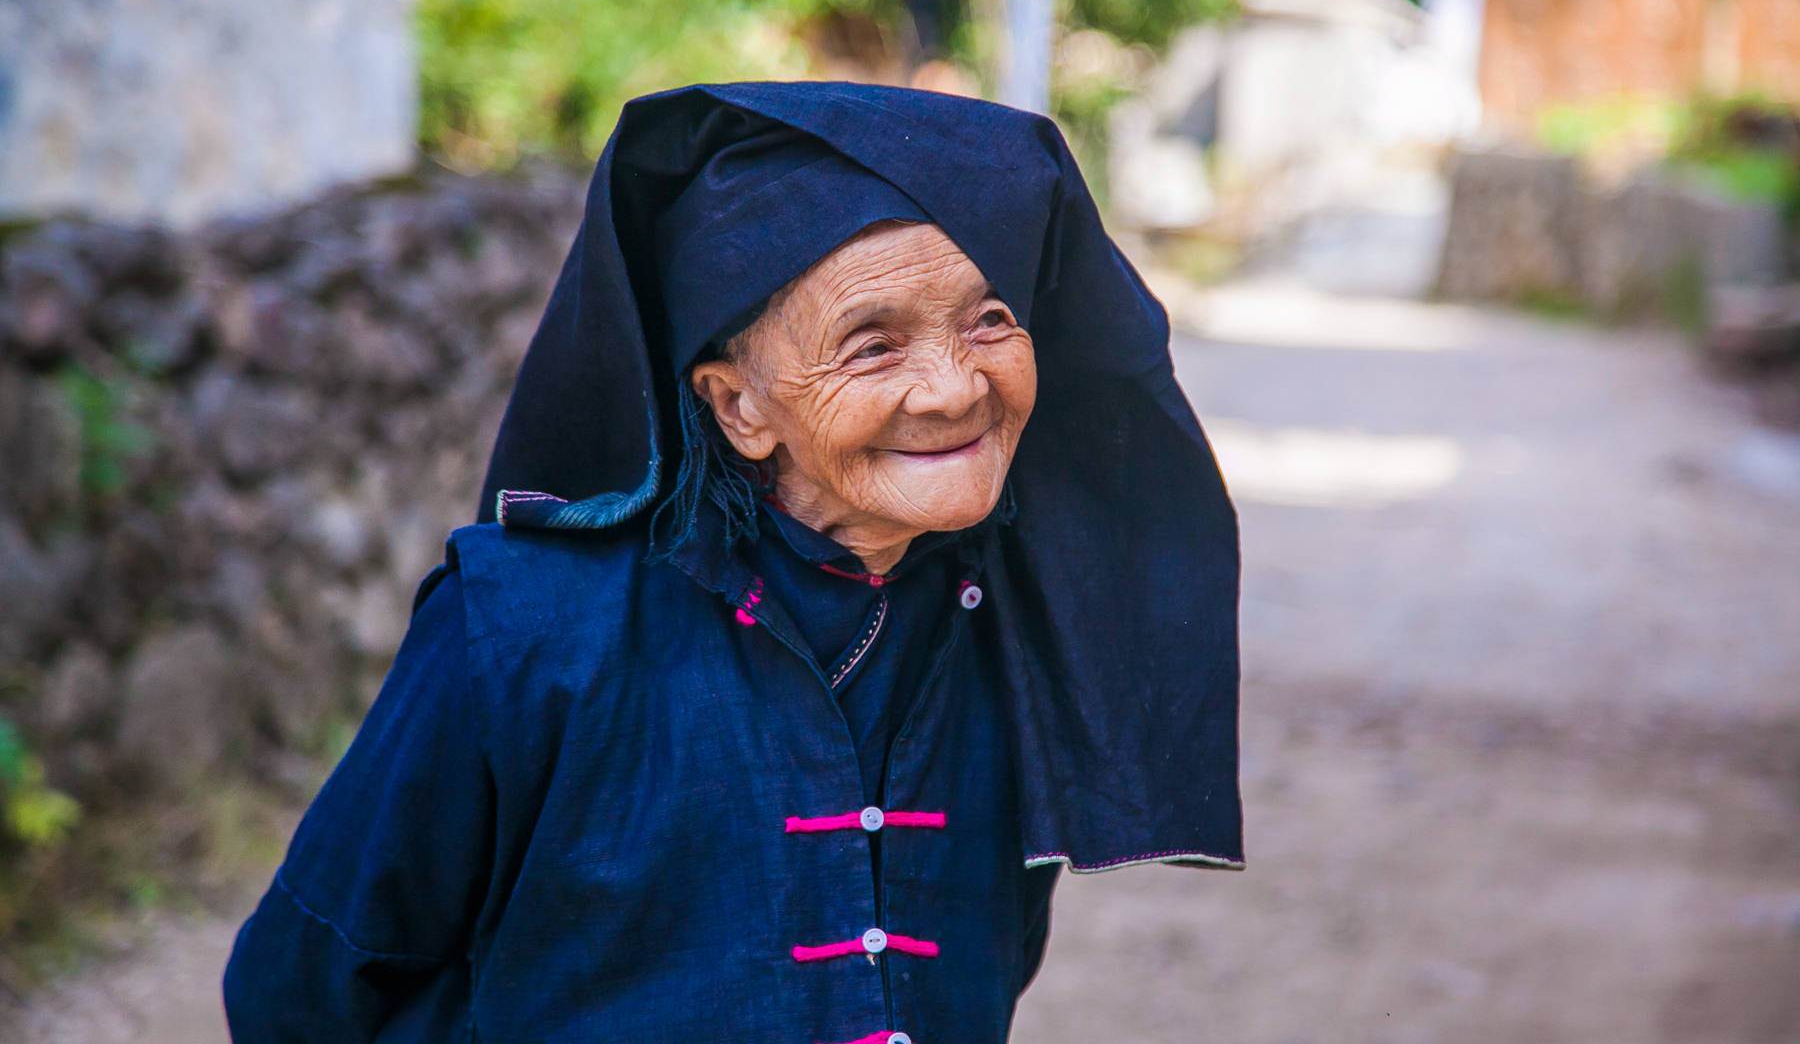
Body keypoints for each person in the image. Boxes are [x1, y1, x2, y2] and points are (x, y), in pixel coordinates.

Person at [222, 82, 1241, 1044]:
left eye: (988, 320)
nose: (951, 387)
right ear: (739, 405)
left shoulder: (1012, 621)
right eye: (873, 346)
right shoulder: (525, 627)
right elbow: (300, 988)